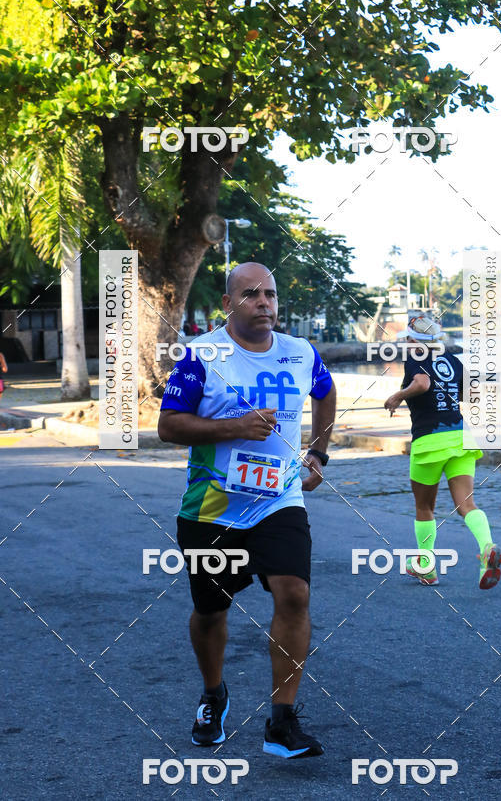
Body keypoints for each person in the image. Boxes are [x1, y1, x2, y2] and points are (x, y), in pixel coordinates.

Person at [158, 262, 336, 757]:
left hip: (279, 499)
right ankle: (213, 694)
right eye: (251, 294)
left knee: (294, 593)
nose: (264, 303)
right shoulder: (201, 354)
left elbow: (326, 393)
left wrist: (319, 452)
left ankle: (282, 721)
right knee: (211, 612)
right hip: (213, 508)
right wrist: (234, 427)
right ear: (228, 304)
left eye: (270, 294)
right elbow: (168, 426)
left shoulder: (300, 352)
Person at [384, 316, 501, 589]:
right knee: (466, 505)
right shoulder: (452, 360)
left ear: (415, 341)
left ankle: (426, 566)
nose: (406, 344)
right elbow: (471, 393)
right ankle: (487, 547)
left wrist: (398, 396)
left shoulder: (416, 357)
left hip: (429, 441)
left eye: (408, 340)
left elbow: (422, 384)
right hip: (460, 438)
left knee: (424, 507)